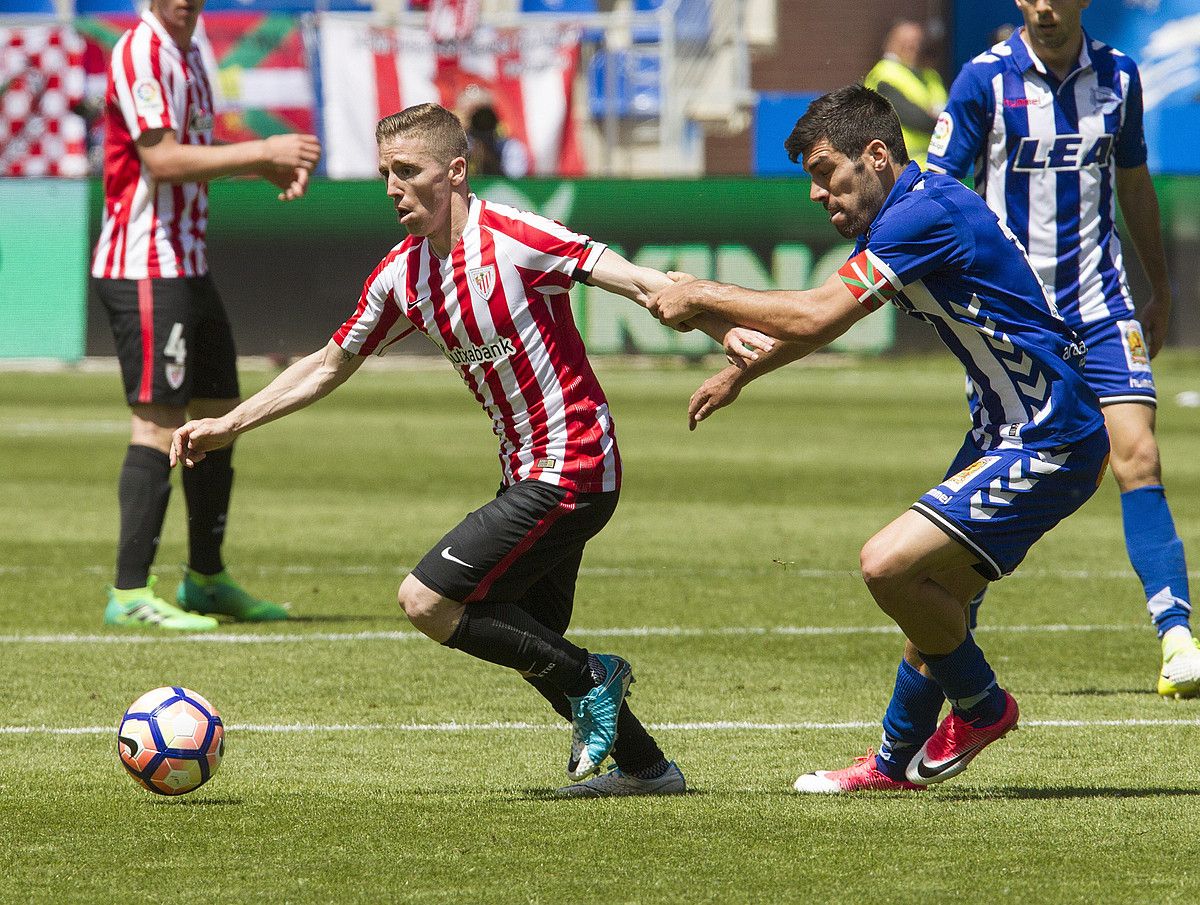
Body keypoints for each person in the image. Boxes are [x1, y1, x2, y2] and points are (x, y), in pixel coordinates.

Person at [168, 103, 749, 795]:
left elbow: (645, 282)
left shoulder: (517, 236)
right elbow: (328, 363)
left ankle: (596, 676)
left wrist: (729, 334)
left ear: (456, 171)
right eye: (385, 173)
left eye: (407, 171)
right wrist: (229, 424)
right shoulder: (401, 274)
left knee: (426, 599)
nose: (392, 187)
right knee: (525, 632)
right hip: (525, 474)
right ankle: (649, 768)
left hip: (576, 462)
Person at [647, 85, 1110, 792]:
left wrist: (704, 294)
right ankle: (894, 765)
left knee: (887, 566)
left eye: (825, 172)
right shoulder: (908, 210)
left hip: (1052, 433)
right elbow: (831, 321)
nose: (817, 193)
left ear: (874, 156)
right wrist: (745, 372)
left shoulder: (921, 215)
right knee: (931, 596)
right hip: (1006, 432)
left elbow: (815, 311)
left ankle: (984, 706)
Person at [925, 0, 1200, 698]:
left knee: (1137, 453)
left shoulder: (1120, 78)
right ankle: (948, 626)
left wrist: (1158, 285)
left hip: (1101, 303)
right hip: (1016, 316)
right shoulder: (981, 81)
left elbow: (1133, 180)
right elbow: (938, 190)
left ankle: (1177, 636)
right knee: (996, 472)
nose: (1045, 6)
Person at [92, 0, 321, 631]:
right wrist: (261, 150)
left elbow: (191, 151)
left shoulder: (191, 50)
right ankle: (130, 592)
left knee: (219, 414)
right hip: (144, 262)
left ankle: (206, 579)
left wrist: (264, 161)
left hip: (185, 261)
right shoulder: (141, 49)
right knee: (159, 423)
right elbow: (161, 159)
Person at [864, 20, 947, 168]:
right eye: (906, 41)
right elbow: (918, 119)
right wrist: (939, 118)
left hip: (934, 163)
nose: (913, 47)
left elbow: (951, 115)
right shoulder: (885, 74)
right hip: (901, 165)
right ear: (891, 43)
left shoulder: (930, 75)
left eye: (917, 42)